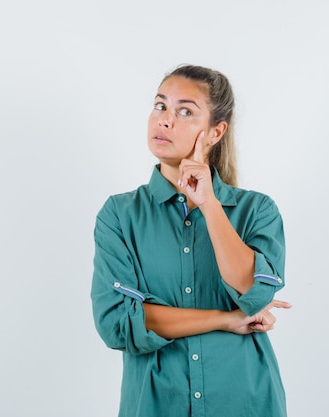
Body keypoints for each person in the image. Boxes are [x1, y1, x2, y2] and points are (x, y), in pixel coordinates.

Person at [91, 64, 291, 417]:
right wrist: (225, 319)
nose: (165, 120)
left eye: (185, 111)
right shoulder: (120, 215)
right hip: (156, 406)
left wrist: (209, 204)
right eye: (160, 106)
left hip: (243, 400)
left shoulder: (257, 210)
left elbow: (253, 292)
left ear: (215, 132)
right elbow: (118, 323)